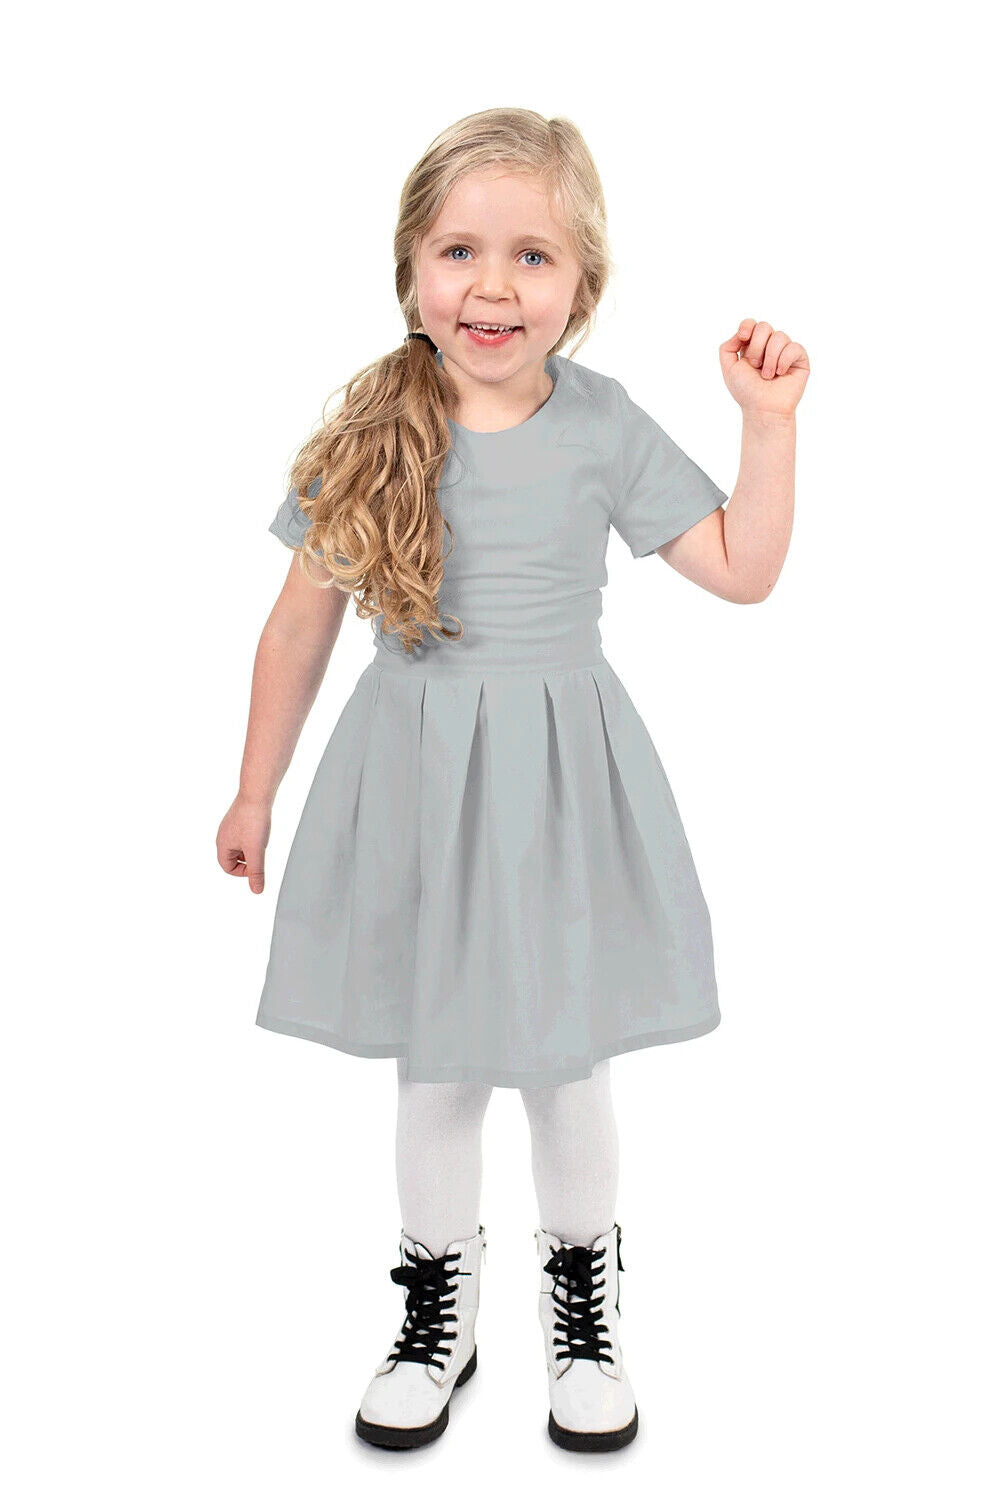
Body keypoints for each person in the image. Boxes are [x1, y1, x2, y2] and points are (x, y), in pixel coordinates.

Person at [217, 107, 808, 1455]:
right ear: (410, 269)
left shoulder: (602, 425)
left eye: (533, 256)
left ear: (582, 284)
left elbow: (743, 570)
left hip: (556, 789)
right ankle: (438, 1306)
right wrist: (255, 791)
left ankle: (584, 1309)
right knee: (436, 1070)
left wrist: (767, 426)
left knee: (565, 1065)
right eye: (460, 251)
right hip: (414, 784)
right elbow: (298, 627)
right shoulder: (373, 429)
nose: (493, 286)